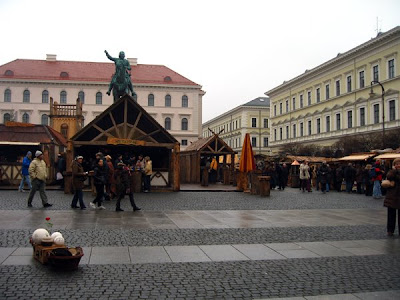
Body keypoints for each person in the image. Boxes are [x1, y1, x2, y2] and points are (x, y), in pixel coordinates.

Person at [383, 158, 400, 237]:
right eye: (396, 164)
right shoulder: (391, 171)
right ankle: (390, 230)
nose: (398, 165)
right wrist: (394, 171)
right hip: (392, 196)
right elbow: (389, 176)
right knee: (391, 214)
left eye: (399, 163)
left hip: (397, 196)